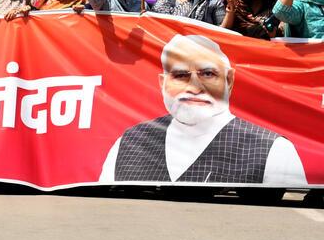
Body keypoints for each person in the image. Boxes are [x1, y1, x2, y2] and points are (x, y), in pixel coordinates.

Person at [99, 34, 306, 185]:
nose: (195, 87)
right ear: (162, 83)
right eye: (180, 75)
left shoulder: (273, 151)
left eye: (207, 74)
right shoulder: (129, 143)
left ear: (229, 81)